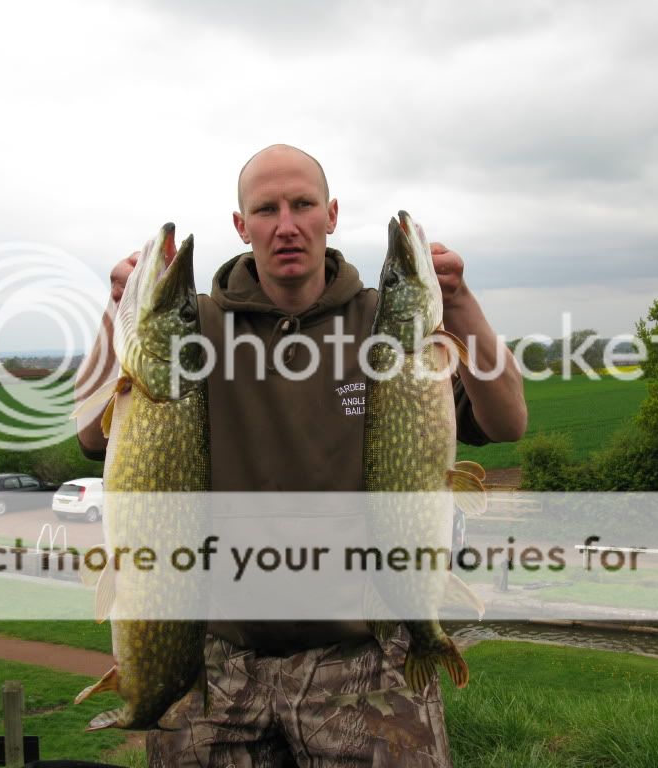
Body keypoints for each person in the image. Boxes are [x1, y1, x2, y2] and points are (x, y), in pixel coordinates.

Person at [75, 144, 527, 766]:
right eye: (266, 209)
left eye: (303, 205)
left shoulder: (389, 323)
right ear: (242, 225)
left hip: (365, 656)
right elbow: (93, 435)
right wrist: (117, 310)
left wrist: (462, 302)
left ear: (331, 214)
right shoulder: (195, 326)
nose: (286, 225)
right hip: (217, 658)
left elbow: (507, 421)